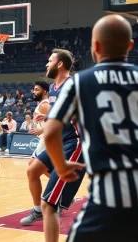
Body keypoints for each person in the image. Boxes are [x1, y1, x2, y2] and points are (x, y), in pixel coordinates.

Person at [44, 14, 138, 242]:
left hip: (109, 194)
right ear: (130, 45)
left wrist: (61, 165)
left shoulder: (80, 82)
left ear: (95, 46)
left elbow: (50, 132)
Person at [32, 49, 86, 242]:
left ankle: (59, 198)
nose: (47, 64)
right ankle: (38, 209)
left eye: (50, 61)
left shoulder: (72, 84)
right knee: (32, 170)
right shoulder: (54, 87)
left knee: (50, 204)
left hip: (74, 142)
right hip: (60, 141)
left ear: (60, 64)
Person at [20, 80, 50, 226]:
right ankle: (64, 190)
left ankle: (37, 210)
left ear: (45, 91)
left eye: (36, 89)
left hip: (48, 140)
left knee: (32, 170)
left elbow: (58, 122)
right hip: (42, 139)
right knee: (33, 166)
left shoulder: (45, 104)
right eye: (33, 89)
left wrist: (41, 130)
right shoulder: (41, 104)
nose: (33, 91)